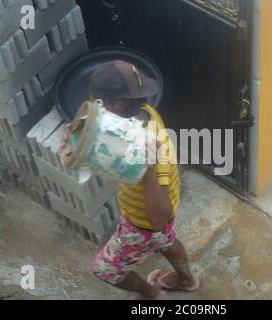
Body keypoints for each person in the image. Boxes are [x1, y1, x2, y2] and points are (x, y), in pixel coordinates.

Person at [89, 60, 199, 299]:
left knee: (104, 270)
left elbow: (158, 219)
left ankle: (152, 295)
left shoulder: (150, 152)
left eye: (97, 101)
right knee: (166, 240)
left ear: (114, 104)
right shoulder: (145, 112)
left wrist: (147, 169)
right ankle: (185, 279)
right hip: (161, 212)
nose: (92, 104)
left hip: (142, 224)